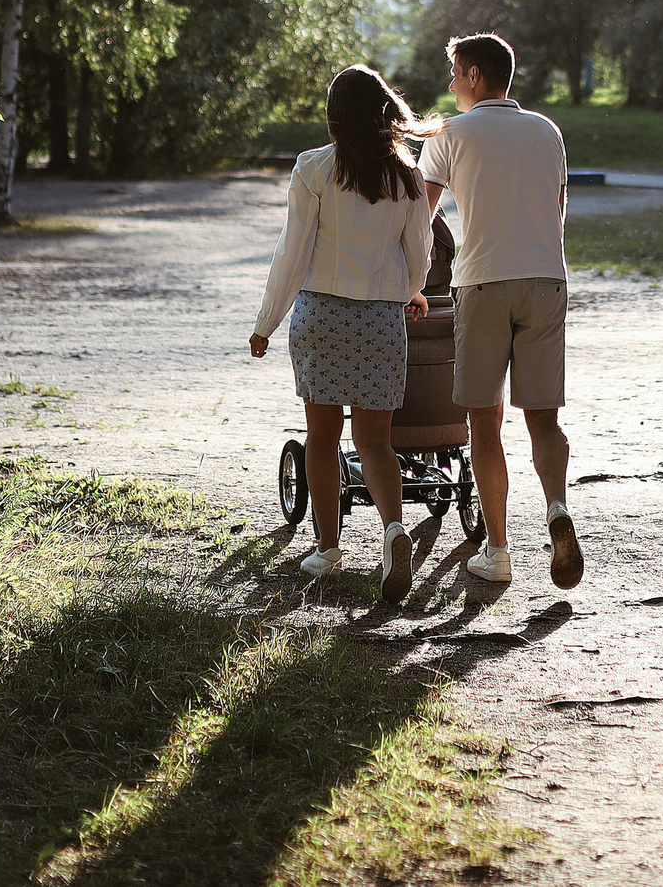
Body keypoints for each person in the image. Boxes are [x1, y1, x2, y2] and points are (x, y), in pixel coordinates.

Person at [249, 65, 434, 603]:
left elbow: (292, 253)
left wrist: (266, 323)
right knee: (374, 440)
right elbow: (419, 255)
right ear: (386, 118)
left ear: (334, 120)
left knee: (323, 436)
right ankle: (393, 531)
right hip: (380, 318)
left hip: (321, 316)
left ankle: (328, 546)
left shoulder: (314, 168)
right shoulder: (407, 177)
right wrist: (413, 289)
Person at [418, 32, 581, 589]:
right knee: (544, 417)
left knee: (483, 420)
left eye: (454, 73)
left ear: (472, 76)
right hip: (546, 280)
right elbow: (557, 211)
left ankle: (500, 550)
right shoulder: (547, 131)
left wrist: (411, 281)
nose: (450, 84)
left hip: (483, 282)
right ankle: (557, 507)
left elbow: (422, 216)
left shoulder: (449, 132)